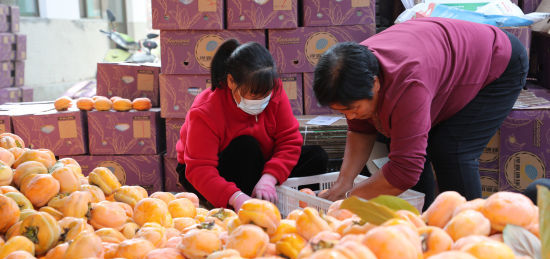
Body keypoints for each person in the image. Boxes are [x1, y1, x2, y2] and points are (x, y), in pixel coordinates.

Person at [313, 18, 528, 209]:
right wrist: (342, 184)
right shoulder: (355, 71)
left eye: (352, 109)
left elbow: (405, 170)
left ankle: (470, 232)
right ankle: (421, 221)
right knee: (398, 136)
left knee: (451, 149)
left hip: (497, 62)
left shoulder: (409, 84)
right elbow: (361, 131)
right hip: (440, 66)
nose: (349, 117)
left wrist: (350, 200)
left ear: (375, 83)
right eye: (342, 112)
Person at [176, 39, 328, 211]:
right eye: (254, 95)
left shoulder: (273, 89)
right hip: (209, 169)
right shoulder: (206, 111)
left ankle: (264, 191)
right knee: (247, 147)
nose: (261, 101)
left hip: (258, 160)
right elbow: (200, 169)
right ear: (231, 81)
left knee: (316, 157)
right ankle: (243, 200)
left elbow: (289, 140)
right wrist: (236, 197)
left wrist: (269, 178)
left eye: (266, 94)